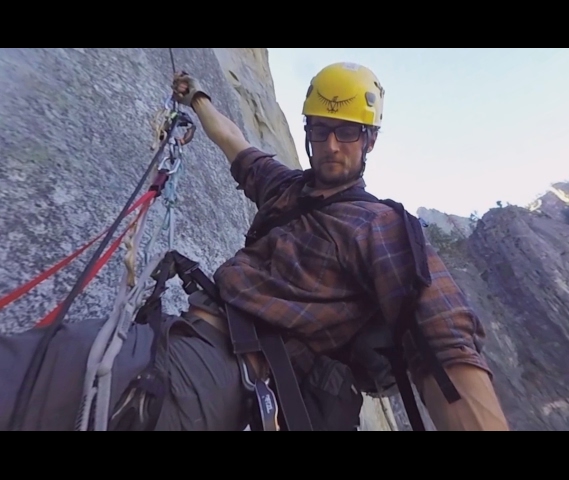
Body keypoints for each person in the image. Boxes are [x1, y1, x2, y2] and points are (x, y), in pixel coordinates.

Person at [0, 62, 509, 431]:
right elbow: (237, 145)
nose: (332, 145)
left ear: (369, 139)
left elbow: (445, 346)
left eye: (348, 133)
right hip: (189, 341)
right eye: (321, 129)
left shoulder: (382, 226)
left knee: (30, 374)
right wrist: (199, 97)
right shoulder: (289, 191)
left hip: (223, 372)